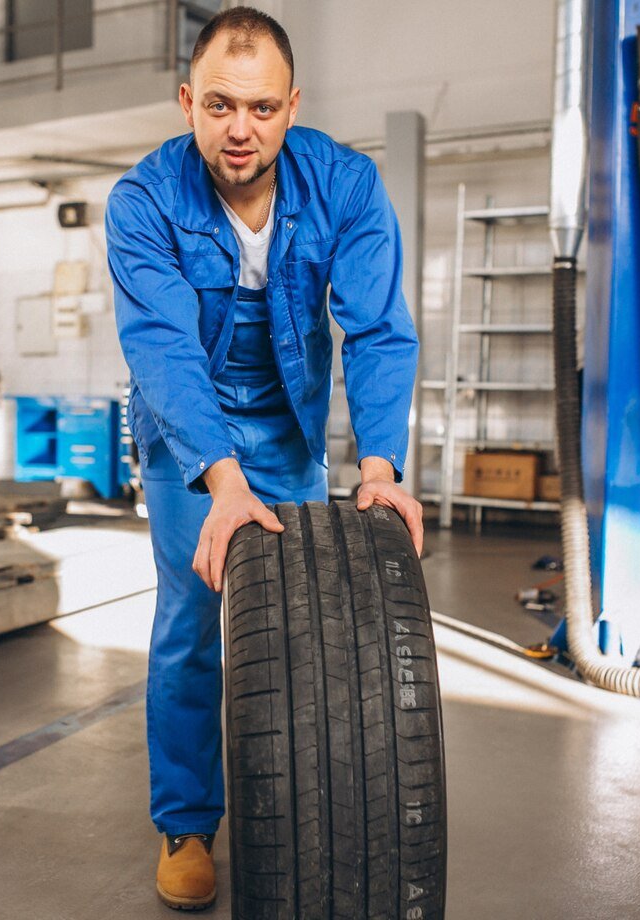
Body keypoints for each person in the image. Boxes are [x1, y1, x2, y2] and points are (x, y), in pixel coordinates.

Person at [105, 6, 423, 910]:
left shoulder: (346, 185)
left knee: (304, 619)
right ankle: (186, 824)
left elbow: (376, 329)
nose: (239, 129)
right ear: (187, 103)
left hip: (287, 422)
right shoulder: (143, 202)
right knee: (192, 617)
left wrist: (378, 468)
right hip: (185, 433)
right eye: (218, 105)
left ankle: (298, 799)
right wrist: (222, 481)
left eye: (261, 107)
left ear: (292, 106)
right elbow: (163, 347)